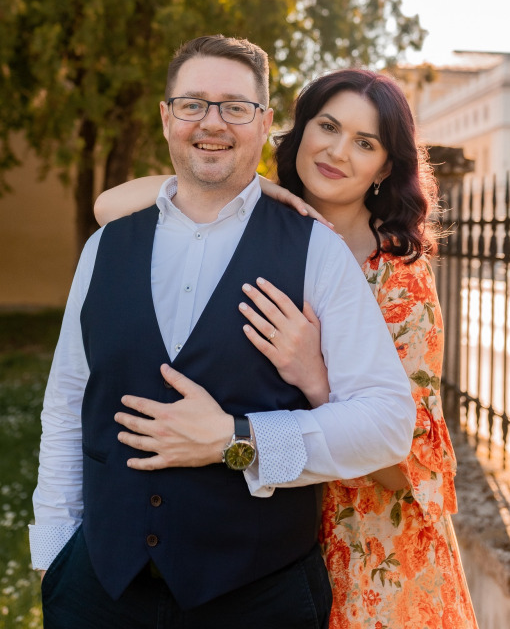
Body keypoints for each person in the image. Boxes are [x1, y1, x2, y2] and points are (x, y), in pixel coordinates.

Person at [30, 35, 416, 629]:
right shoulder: (105, 246)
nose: (212, 123)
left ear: (264, 123)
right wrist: (53, 554)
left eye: (235, 107)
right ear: (167, 117)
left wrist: (238, 440)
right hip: (98, 591)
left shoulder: (317, 251)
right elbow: (66, 404)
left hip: (259, 598)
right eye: (193, 104)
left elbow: (387, 423)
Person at [95, 67, 478, 628]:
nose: (338, 151)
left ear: (384, 168)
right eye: (328, 126)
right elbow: (109, 207)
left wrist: (315, 378)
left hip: (373, 555)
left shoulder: (398, 281)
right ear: (299, 131)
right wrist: (261, 189)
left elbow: (407, 469)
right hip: (263, 546)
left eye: (365, 143)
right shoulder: (255, 228)